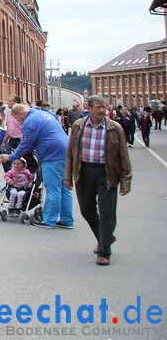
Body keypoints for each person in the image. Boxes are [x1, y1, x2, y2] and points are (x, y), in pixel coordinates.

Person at [65, 95, 132, 266]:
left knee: (107, 212)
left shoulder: (114, 128)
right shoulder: (78, 126)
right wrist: (67, 176)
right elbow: (71, 153)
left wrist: (126, 180)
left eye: (104, 107)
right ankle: (106, 236)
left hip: (107, 172)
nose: (103, 111)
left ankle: (104, 251)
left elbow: (124, 156)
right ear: (89, 108)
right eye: (99, 107)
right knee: (86, 210)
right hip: (84, 172)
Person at [1, 102, 74, 230]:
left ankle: (49, 220)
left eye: (17, 118)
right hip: (66, 150)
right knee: (64, 187)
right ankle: (67, 219)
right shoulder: (40, 113)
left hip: (52, 155)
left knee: (53, 188)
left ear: (20, 113)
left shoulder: (29, 122)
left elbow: (25, 145)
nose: (18, 122)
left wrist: (11, 157)